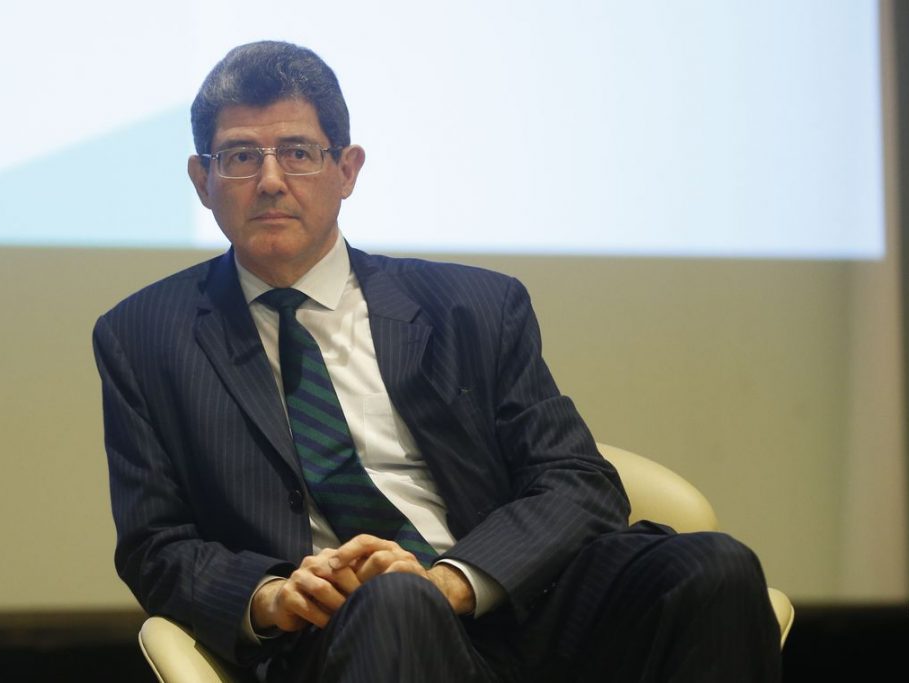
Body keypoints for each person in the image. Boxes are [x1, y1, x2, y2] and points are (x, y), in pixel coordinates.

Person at [94, 40, 780, 682]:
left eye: (298, 153)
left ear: (347, 170)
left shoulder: (473, 305)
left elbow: (576, 480)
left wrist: (454, 579)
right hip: (336, 633)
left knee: (714, 568)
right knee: (397, 603)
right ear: (202, 180)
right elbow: (156, 544)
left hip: (506, 597)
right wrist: (272, 594)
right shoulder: (144, 336)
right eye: (240, 157)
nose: (271, 180)